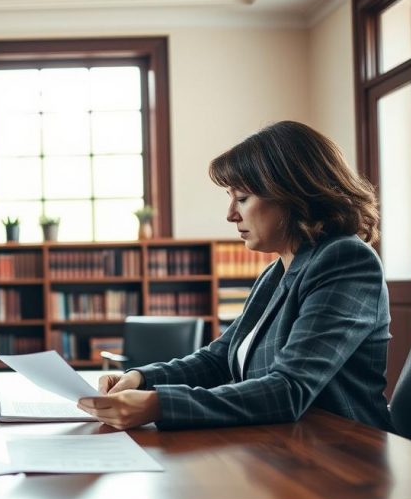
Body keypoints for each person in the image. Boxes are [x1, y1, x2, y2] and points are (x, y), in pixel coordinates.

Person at [78, 121, 392, 431]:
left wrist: (158, 404)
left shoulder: (345, 260)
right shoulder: (278, 270)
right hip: (283, 443)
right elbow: (219, 358)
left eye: (241, 198)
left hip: (344, 454)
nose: (231, 214)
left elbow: (289, 389)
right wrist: (141, 378)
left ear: (293, 195)